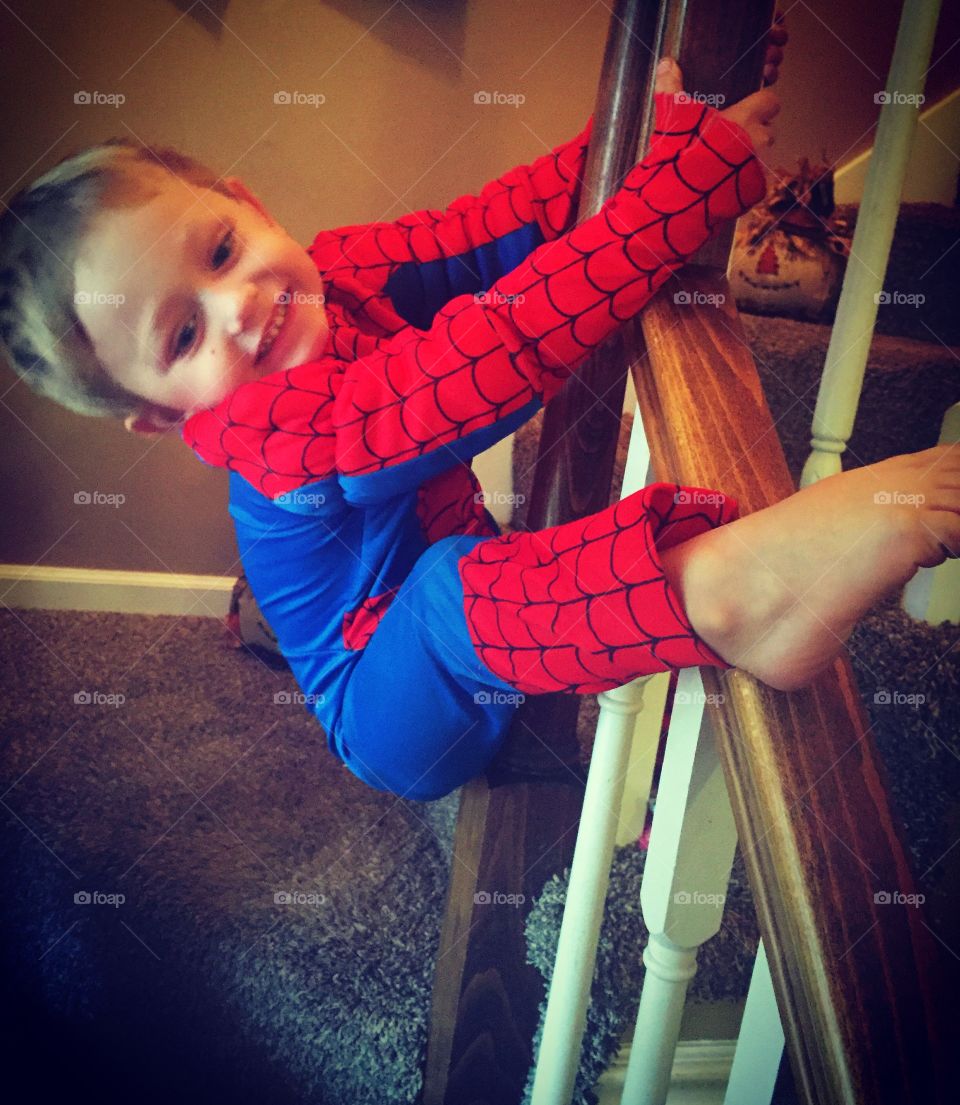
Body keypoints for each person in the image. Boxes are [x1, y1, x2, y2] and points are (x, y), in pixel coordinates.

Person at [2, 39, 957, 801]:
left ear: (247, 204)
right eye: (180, 336)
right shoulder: (282, 437)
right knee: (453, 590)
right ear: (167, 420)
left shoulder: (339, 272)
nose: (239, 304)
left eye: (220, 248)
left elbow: (487, 230)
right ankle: (726, 594)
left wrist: (623, 151)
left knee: (476, 570)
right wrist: (675, 195)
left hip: (469, 607)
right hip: (389, 716)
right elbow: (488, 359)